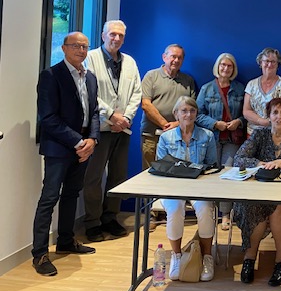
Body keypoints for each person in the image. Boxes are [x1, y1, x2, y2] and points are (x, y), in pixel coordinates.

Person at [32, 32, 99, 276]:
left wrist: (92, 139)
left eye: (85, 46)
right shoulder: (51, 75)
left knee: (72, 193)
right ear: (64, 48)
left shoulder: (90, 77)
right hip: (59, 147)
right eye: (76, 46)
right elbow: (48, 118)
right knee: (49, 198)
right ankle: (40, 254)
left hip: (83, 146)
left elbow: (94, 111)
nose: (81, 50)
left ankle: (66, 241)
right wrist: (79, 142)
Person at [233, 98, 281, 286]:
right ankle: (249, 259)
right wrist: (261, 164)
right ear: (269, 116)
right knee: (256, 205)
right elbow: (239, 158)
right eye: (275, 112)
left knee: (278, 206)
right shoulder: (259, 135)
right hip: (257, 192)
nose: (279, 117)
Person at [83, 20, 142, 242]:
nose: (116, 38)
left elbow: (137, 93)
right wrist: (111, 115)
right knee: (93, 178)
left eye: (120, 35)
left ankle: (110, 217)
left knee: (118, 176)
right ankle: (92, 222)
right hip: (99, 129)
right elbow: (89, 91)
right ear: (103, 35)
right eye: (112, 34)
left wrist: (126, 118)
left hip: (122, 130)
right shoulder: (91, 58)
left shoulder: (130, 62)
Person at [157, 96, 218, 282]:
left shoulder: (207, 136)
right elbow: (161, 167)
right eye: (184, 111)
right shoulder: (165, 138)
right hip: (173, 187)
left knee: (205, 209)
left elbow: (212, 166)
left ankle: (207, 257)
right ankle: (176, 256)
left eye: (192, 111)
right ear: (176, 114)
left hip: (199, 187)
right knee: (175, 209)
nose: (188, 114)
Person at [196, 52, 245, 231]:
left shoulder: (240, 89)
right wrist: (215, 124)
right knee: (210, 175)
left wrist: (238, 121)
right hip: (212, 139)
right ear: (217, 66)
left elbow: (247, 113)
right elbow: (197, 114)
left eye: (229, 66)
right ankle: (209, 213)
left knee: (229, 175)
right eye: (223, 65)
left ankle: (225, 214)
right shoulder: (206, 89)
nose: (225, 68)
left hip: (232, 140)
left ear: (233, 69)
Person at [140, 44, 196, 170]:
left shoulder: (188, 81)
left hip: (178, 137)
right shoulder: (151, 76)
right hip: (152, 136)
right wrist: (165, 125)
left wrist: (176, 124)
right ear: (164, 57)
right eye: (173, 56)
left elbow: (193, 109)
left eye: (180, 58)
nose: (176, 60)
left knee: (174, 172)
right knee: (150, 172)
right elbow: (146, 104)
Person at [243, 47, 281, 136]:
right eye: (266, 61)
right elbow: (246, 111)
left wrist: (269, 123)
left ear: (278, 64)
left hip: (275, 133)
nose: (269, 64)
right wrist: (261, 121)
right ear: (261, 63)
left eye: (273, 61)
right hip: (253, 134)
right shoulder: (251, 84)